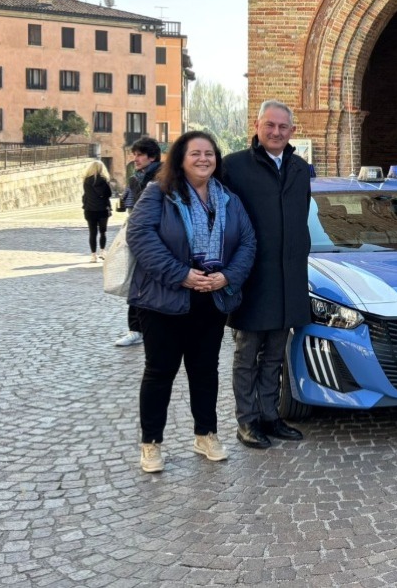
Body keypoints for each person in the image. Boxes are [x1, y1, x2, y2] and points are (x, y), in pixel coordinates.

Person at [127, 131, 256, 473]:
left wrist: (227, 276)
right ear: (180, 159)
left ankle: (206, 433)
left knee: (204, 370)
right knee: (160, 371)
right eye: (195, 153)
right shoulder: (159, 194)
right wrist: (180, 273)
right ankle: (151, 443)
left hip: (211, 298)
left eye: (209, 153)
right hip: (164, 299)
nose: (203, 159)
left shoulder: (227, 199)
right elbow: (139, 237)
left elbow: (247, 241)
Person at [221, 100, 312, 450]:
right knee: (247, 354)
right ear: (257, 126)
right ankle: (247, 421)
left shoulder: (300, 168)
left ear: (292, 131)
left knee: (276, 353)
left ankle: (270, 416)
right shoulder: (234, 166)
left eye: (282, 127)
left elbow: (301, 216)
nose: (276, 132)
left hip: (289, 277)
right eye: (269, 125)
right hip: (252, 278)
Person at [115, 137, 162, 347]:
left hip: (159, 239)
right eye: (134, 154)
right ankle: (135, 329)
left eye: (139, 154)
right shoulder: (136, 178)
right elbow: (128, 207)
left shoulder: (163, 176)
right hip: (139, 237)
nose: (135, 158)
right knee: (138, 282)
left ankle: (150, 327)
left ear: (151, 156)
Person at [81, 160, 113, 262]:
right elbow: (109, 194)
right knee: (103, 232)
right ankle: (102, 251)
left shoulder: (86, 181)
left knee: (92, 232)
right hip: (102, 208)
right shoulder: (104, 180)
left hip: (90, 209)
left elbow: (86, 195)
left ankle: (93, 255)